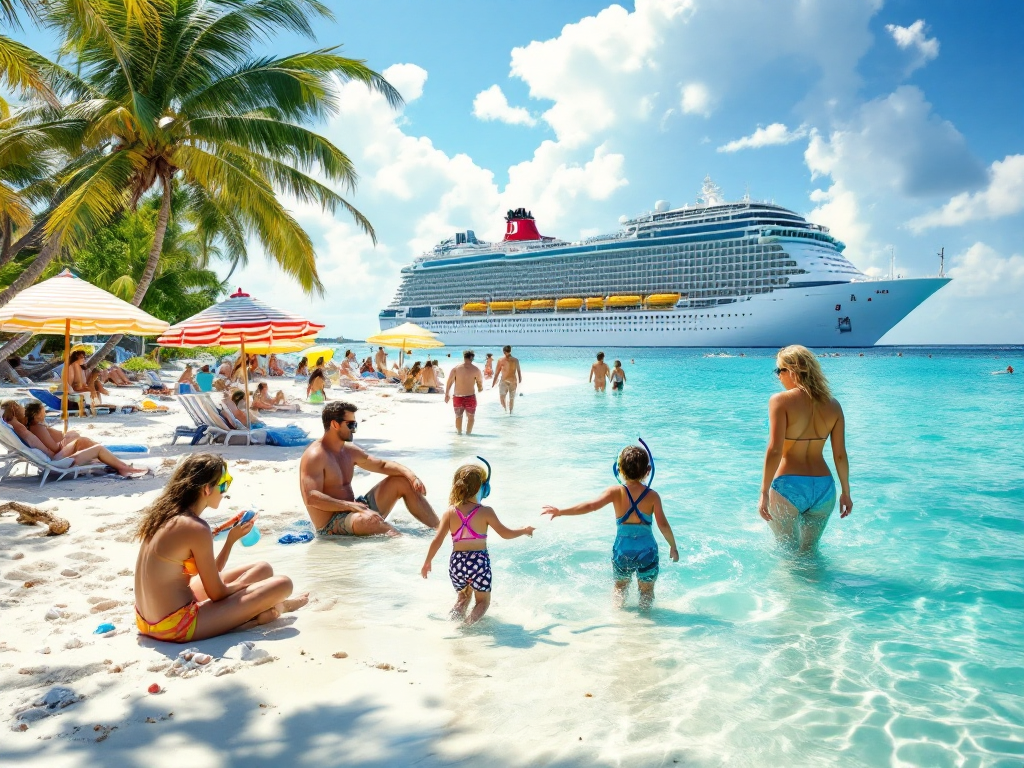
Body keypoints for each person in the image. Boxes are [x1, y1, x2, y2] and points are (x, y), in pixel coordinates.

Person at [134, 454, 306, 642]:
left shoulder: (163, 516)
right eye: (223, 485)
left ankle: (246, 612)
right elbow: (217, 593)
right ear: (207, 489)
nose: (225, 492)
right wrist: (244, 587)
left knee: (264, 568)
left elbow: (209, 575)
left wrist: (230, 540)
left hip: (146, 621)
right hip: (175, 625)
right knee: (283, 583)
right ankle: (273, 609)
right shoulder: (196, 528)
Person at [542, 442, 678, 610]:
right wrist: (673, 546)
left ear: (619, 469)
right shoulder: (652, 496)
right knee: (647, 592)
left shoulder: (616, 492)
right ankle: (646, 625)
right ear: (647, 471)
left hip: (623, 551)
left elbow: (590, 506)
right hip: (647, 551)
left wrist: (561, 511)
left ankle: (617, 620)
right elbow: (663, 524)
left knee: (620, 588)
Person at [759, 345, 852, 552]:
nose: (778, 377)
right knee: (809, 552)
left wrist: (764, 491)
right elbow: (839, 454)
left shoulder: (780, 401)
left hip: (788, 486)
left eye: (778, 371)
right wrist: (846, 492)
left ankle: (789, 586)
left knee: (787, 553)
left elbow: (775, 449)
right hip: (825, 489)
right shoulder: (833, 404)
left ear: (791, 371)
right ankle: (819, 584)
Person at [299, 401, 440, 537]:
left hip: (354, 509)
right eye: (351, 425)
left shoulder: (348, 451)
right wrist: (350, 506)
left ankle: (440, 530)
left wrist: (411, 476)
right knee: (370, 520)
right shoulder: (315, 456)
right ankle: (403, 545)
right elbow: (311, 497)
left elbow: (381, 465)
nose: (354, 429)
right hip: (331, 523)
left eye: (355, 424)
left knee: (402, 481)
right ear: (335, 424)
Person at [421, 461, 534, 624]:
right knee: (483, 602)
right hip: (478, 561)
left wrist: (427, 562)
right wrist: (524, 530)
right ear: (482, 487)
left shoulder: (450, 512)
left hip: (457, 563)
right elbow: (505, 534)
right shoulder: (485, 511)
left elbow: (437, 540)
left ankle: (450, 626)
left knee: (463, 600)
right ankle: (465, 628)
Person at [1, 400, 148, 477]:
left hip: (52, 456)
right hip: (55, 459)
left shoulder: (22, 427)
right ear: (14, 412)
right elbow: (50, 448)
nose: (23, 408)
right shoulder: (19, 427)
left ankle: (117, 465)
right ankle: (122, 467)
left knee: (83, 441)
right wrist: (11, 419)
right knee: (92, 446)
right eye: (18, 407)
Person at [445, 350, 483, 435]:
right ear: (471, 357)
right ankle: (468, 434)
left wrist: (446, 394)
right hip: (470, 397)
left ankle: (459, 435)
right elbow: (479, 383)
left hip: (457, 397)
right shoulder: (476, 370)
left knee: (458, 416)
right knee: (471, 417)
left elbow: (449, 382)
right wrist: (480, 388)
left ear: (464, 357)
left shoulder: (456, 369)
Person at [491, 345, 522, 415]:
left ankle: (510, 413)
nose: (507, 353)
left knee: (511, 399)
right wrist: (493, 383)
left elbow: (519, 371)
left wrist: (520, 380)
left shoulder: (515, 360)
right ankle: (505, 411)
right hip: (504, 381)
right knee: (502, 398)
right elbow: (497, 372)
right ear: (504, 352)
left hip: (513, 382)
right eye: (506, 352)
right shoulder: (501, 360)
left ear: (510, 351)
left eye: (508, 352)